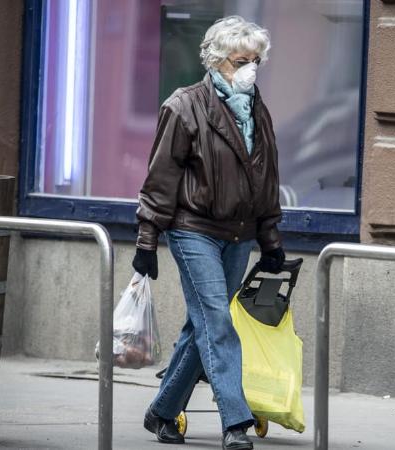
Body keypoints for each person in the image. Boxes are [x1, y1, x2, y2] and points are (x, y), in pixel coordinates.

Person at [131, 15, 285, 450]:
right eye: (241, 61)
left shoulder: (257, 110)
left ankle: (162, 411)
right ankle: (235, 422)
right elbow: (160, 178)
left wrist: (270, 239)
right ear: (217, 61)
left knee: (201, 324)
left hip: (239, 234)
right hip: (193, 229)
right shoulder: (184, 106)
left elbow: (267, 179)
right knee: (217, 321)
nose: (250, 70)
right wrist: (147, 239)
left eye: (255, 61)